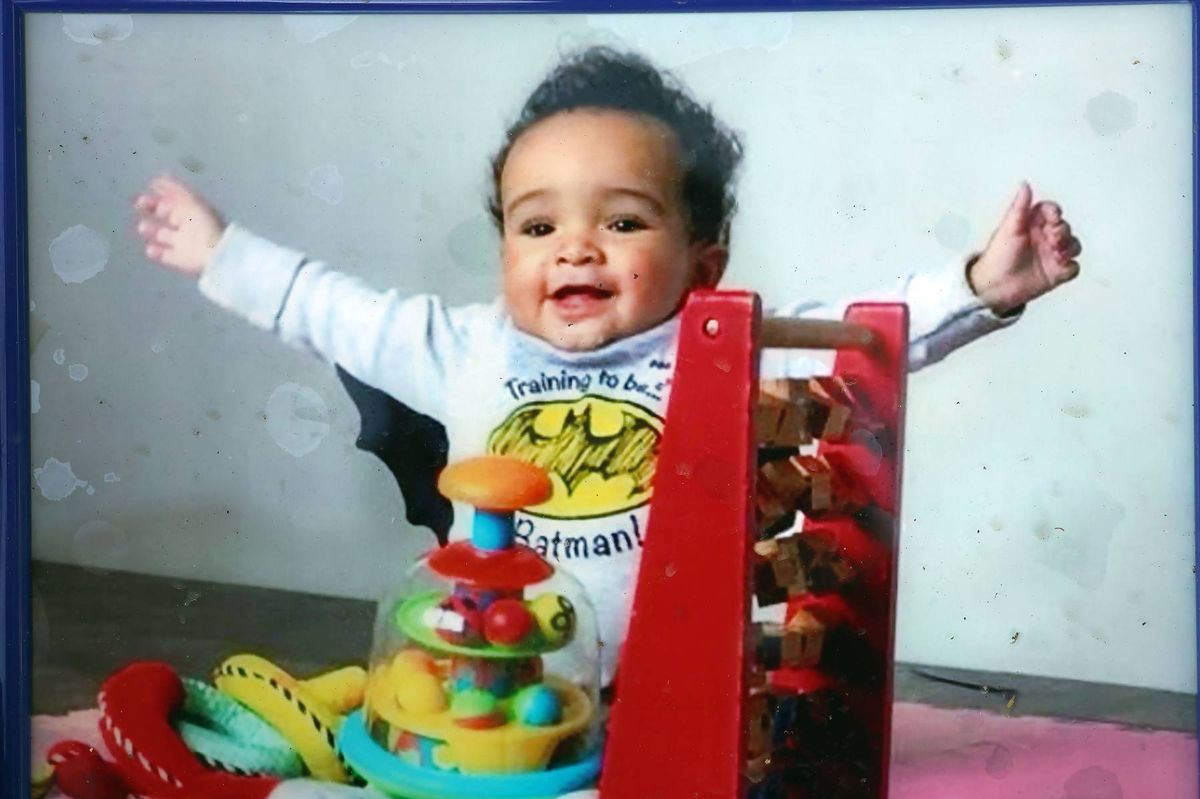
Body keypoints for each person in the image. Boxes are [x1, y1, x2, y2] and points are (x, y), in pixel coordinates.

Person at [132, 47, 1082, 687]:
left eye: (622, 220)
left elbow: (868, 338)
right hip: (498, 680)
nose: (576, 247)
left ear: (701, 263)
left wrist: (981, 284)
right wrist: (224, 254)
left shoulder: (715, 345)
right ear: (505, 244)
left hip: (679, 683)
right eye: (538, 225)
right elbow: (333, 310)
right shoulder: (461, 349)